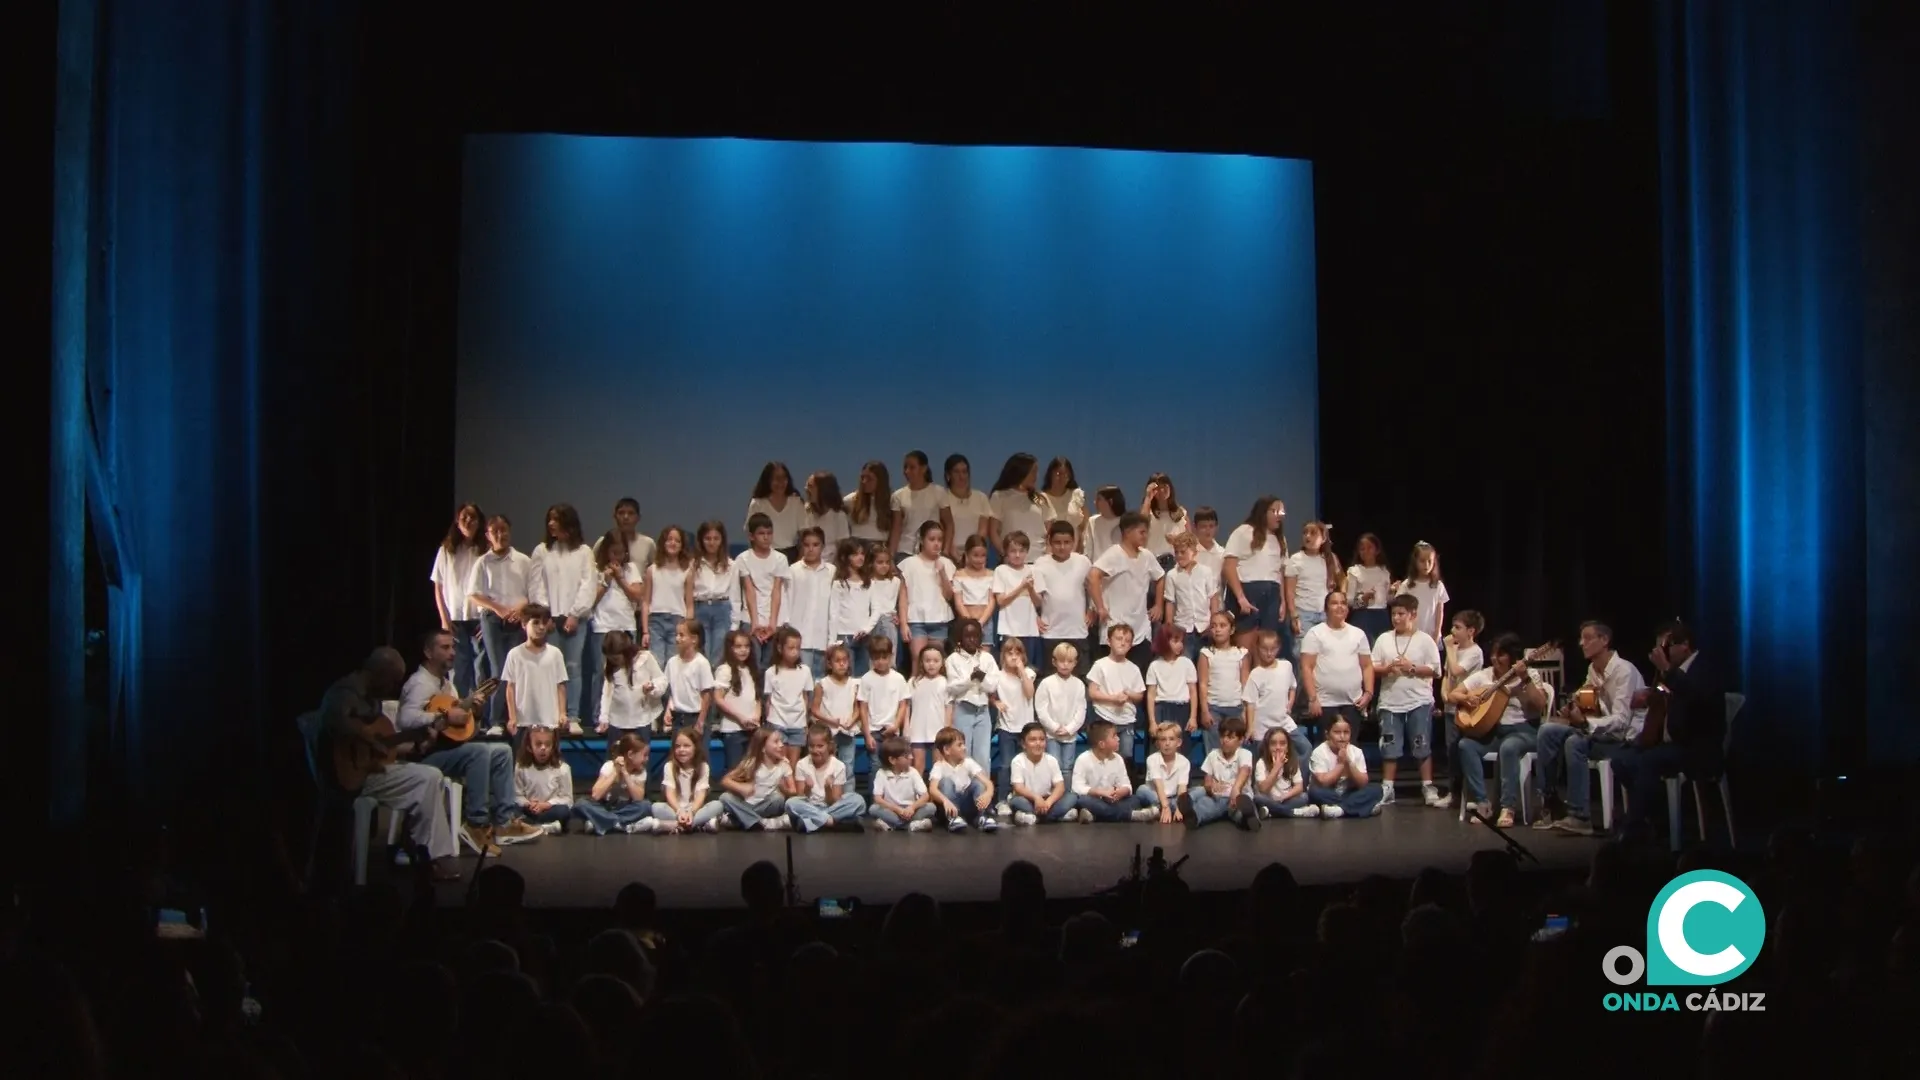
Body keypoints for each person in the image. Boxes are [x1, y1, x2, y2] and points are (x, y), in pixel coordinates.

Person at [318, 647, 459, 880]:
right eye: (392, 680)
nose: (392, 687)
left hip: (367, 770)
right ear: (381, 673)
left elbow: (386, 747)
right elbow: (336, 722)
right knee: (426, 778)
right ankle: (424, 855)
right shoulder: (345, 692)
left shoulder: (370, 699)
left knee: (428, 775)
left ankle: (417, 848)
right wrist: (368, 739)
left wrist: (414, 744)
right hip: (344, 777)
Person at [397, 629, 544, 852]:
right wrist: (443, 716)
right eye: (445, 647)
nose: (452, 652)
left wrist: (474, 712)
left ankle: (504, 822)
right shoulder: (420, 683)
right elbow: (405, 719)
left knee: (502, 751)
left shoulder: (446, 685)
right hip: (420, 755)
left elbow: (458, 730)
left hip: (444, 749)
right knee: (478, 752)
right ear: (428, 652)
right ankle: (476, 823)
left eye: (453, 647)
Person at [1611, 621, 1728, 839]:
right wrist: (1650, 693)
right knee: (1621, 759)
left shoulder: (1704, 668)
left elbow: (1695, 696)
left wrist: (1667, 670)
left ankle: (1634, 826)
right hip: (1671, 743)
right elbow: (1666, 689)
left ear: (1685, 645)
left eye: (1666, 648)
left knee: (1648, 761)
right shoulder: (1675, 673)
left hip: (1697, 746)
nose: (1662, 654)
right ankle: (1653, 818)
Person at [1533, 620, 1646, 836]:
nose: (1581, 643)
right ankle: (1551, 802)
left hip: (1623, 740)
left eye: (1587, 638)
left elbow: (1621, 721)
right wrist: (1574, 708)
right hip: (1599, 733)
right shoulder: (1593, 669)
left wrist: (1585, 723)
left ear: (1604, 640)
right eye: (1581, 638)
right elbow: (1588, 704)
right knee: (1548, 731)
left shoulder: (1624, 671)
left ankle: (1580, 816)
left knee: (1575, 742)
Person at [1446, 633, 1549, 827]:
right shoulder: (1485, 675)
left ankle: (1507, 807)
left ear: (1512, 656)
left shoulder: (1530, 675)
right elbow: (1453, 695)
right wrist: (1467, 699)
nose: (1495, 658)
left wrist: (1524, 679)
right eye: (1493, 654)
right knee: (1466, 745)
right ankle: (1482, 803)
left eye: (1501, 654)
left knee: (1509, 746)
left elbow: (1541, 704)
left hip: (1525, 732)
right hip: (1495, 733)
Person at [1371, 594, 1445, 807]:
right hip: (1390, 701)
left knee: (1421, 743)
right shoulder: (1384, 639)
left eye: (1401, 614)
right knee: (1389, 745)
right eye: (1394, 614)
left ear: (1413, 615)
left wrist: (1411, 667)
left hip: (1418, 701)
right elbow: (1372, 666)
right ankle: (1388, 787)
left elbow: (1436, 670)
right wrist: (1387, 668)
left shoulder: (1425, 640)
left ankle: (1428, 786)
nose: (1396, 618)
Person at [528, 503, 596, 733]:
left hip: (575, 619)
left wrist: (575, 614)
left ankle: (573, 716)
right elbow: (536, 585)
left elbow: (588, 585)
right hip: (549, 620)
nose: (551, 524)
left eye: (556, 519)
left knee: (573, 667)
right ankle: (552, 715)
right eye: (549, 519)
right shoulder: (542, 551)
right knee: (550, 668)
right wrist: (544, 616)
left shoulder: (584, 552)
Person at [468, 515, 532, 733]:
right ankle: (494, 721)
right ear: (488, 535)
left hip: (517, 619)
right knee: (498, 669)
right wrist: (498, 608)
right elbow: (474, 594)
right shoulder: (482, 562)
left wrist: (519, 609)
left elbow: (531, 592)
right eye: (495, 531)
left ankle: (513, 719)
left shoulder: (523, 561)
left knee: (515, 668)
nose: (500, 535)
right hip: (492, 619)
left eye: (503, 530)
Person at [1088, 512, 1165, 671]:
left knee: (1139, 673)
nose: (1145, 536)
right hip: (1116, 625)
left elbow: (1160, 577)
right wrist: (1100, 607)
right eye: (1141, 532)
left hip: (1141, 628)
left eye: (1146, 532)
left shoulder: (1147, 556)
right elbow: (1093, 576)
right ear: (1128, 532)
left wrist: (1158, 605)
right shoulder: (1114, 553)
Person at [1299, 590, 1375, 748]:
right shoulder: (1315, 634)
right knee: (1326, 750)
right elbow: (1306, 667)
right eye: (1334, 603)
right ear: (1326, 609)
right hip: (1325, 704)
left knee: (1350, 749)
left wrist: (1368, 693)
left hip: (1353, 703)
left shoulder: (1358, 634)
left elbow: (1367, 666)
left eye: (1343, 603)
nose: (1340, 607)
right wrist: (1312, 699)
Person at [430, 502, 487, 697]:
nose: (469, 521)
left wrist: (487, 618)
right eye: (464, 517)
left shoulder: (486, 550)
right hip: (455, 619)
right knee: (458, 670)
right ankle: (460, 709)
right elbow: (438, 586)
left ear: (479, 522)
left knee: (481, 670)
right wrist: (444, 619)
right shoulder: (447, 550)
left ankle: (481, 712)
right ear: (457, 521)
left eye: (473, 517)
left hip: (479, 618)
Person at [1223, 495, 1288, 653]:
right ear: (1263, 511)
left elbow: (1279, 572)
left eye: (1281, 512)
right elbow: (1229, 567)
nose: (1279, 516)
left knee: (1267, 645)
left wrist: (1282, 601)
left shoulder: (1280, 539)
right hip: (1248, 592)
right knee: (1246, 648)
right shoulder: (1243, 532)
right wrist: (1240, 597)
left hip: (1272, 596)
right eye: (1275, 511)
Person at [1031, 520, 1094, 677]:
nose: (1062, 547)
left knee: (1080, 678)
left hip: (1078, 630)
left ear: (1073, 542)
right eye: (1057, 542)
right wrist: (1034, 616)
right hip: (1051, 631)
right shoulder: (1040, 563)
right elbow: (1036, 597)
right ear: (1049, 542)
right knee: (1051, 678)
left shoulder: (1083, 562)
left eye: (1067, 542)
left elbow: (1093, 588)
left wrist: (1092, 609)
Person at [1180, 715, 1258, 830]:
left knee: (1240, 810)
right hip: (1218, 797)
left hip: (1238, 797)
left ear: (1240, 740)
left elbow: (1245, 771)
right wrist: (1211, 786)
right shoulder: (1213, 754)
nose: (1225, 740)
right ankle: (1193, 816)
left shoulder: (1244, 753)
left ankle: (1248, 818)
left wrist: (1236, 789)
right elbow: (1207, 779)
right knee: (1205, 804)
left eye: (1230, 737)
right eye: (1222, 736)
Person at [501, 604, 567, 738]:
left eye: (544, 623)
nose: (541, 627)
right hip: (523, 721)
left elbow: (560, 685)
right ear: (524, 624)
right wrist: (512, 717)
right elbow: (510, 687)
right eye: (536, 623)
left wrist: (562, 713)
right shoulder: (515, 654)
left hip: (550, 721)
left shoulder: (555, 653)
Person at [987, 638, 1037, 814]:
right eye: (1010, 653)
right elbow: (989, 693)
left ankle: (1023, 798)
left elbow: (1029, 693)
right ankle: (1002, 799)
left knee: (1025, 764)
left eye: (1017, 653)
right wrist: (995, 702)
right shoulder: (998, 676)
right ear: (1003, 656)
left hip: (1026, 727)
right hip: (1006, 727)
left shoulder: (1028, 673)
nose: (1014, 657)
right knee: (1006, 765)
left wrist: (1021, 670)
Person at [787, 724, 867, 833]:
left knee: (858, 800)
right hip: (810, 806)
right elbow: (801, 797)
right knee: (790, 803)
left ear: (829, 746)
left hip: (830, 807)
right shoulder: (802, 764)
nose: (815, 750)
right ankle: (831, 821)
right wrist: (807, 788)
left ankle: (812, 822)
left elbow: (834, 801)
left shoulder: (838, 766)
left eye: (820, 746)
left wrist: (828, 789)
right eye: (811, 746)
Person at [736, 513, 791, 671]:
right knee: (753, 664)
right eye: (761, 533)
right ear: (751, 536)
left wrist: (772, 624)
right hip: (751, 619)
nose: (766, 537)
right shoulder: (743, 559)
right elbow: (749, 591)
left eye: (769, 533)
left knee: (770, 666)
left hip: (774, 620)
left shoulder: (780, 558)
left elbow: (776, 590)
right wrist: (755, 623)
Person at [944, 618, 999, 773]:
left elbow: (992, 686)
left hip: (983, 711)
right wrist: (970, 679)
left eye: (975, 636)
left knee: (983, 756)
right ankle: (963, 787)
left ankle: (982, 788)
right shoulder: (953, 659)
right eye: (967, 636)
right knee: (962, 753)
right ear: (960, 638)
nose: (971, 640)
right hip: (963, 709)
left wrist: (981, 678)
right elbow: (953, 687)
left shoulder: (987, 658)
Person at [1087, 625, 1147, 760]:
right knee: (1103, 755)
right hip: (1104, 717)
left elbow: (1139, 696)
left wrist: (1129, 694)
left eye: (1127, 640)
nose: (1123, 643)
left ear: (1131, 645)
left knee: (1125, 755)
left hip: (1126, 719)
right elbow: (1093, 692)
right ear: (1109, 641)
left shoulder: (1134, 668)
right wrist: (1113, 698)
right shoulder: (1100, 665)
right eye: (1119, 639)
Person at [1195, 610, 1248, 763]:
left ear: (1232, 629)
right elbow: (1203, 684)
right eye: (1213, 626)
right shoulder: (1206, 653)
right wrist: (1205, 711)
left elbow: (1245, 683)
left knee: (1237, 752)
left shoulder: (1241, 653)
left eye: (1222, 625)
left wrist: (1246, 710)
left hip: (1236, 707)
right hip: (1214, 708)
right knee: (1214, 752)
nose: (1217, 629)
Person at [577, 733, 656, 835]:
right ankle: (619, 824)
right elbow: (596, 795)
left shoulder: (641, 772)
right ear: (631, 755)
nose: (647, 759)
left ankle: (600, 822)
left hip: (625, 808)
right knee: (581, 804)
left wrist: (625, 773)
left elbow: (638, 798)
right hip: (605, 807)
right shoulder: (609, 766)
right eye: (644, 755)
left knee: (646, 806)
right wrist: (616, 772)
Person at [1308, 714, 1384, 818]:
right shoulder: (1319, 752)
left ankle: (1339, 810)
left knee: (1377, 789)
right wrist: (1340, 764)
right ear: (1327, 734)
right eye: (1337, 732)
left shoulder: (1356, 752)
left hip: (1349, 792)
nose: (1342, 737)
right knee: (1314, 792)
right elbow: (1323, 782)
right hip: (1328, 793)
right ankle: (1362, 807)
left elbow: (1363, 783)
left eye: (1346, 732)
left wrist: (1348, 762)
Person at [718, 727, 793, 832]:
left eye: (781, 741)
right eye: (776, 742)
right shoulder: (751, 763)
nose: (781, 745)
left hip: (766, 806)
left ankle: (739, 821)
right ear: (763, 748)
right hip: (747, 805)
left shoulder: (783, 765)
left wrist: (784, 789)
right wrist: (741, 788)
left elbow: (793, 791)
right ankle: (761, 822)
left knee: (778, 799)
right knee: (725, 797)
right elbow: (725, 780)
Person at [652, 727, 725, 833]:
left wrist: (691, 812)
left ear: (695, 748)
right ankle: (698, 826)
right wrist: (679, 811)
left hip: (695, 810)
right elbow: (670, 794)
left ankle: (677, 826)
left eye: (686, 746)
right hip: (675, 809)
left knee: (717, 805)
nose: (681, 750)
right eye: (678, 746)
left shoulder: (703, 766)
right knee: (656, 807)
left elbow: (700, 795)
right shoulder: (669, 766)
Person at [640, 525, 694, 667]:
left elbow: (689, 605)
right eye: (669, 539)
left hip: (678, 622)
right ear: (663, 543)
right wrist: (645, 631)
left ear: (682, 545)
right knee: (657, 663)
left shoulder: (687, 571)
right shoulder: (652, 570)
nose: (673, 543)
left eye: (677, 541)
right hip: (655, 621)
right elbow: (645, 602)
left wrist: (687, 628)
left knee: (674, 664)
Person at [1162, 532, 1220, 664]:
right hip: (1183, 628)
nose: (1179, 555)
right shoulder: (1172, 575)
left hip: (1204, 627)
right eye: (1176, 552)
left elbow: (1213, 597)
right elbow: (1170, 601)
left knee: (1205, 663)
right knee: (1185, 662)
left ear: (1194, 551)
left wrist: (1213, 621)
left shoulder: (1205, 572)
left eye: (1183, 552)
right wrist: (1169, 625)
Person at [596, 630, 667, 736]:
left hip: (641, 720)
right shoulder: (610, 666)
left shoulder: (645, 658)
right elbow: (607, 693)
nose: (613, 661)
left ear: (626, 652)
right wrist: (604, 717)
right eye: (610, 658)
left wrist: (653, 687)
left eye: (616, 658)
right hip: (617, 722)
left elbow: (661, 679)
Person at [929, 727, 1000, 832]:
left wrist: (988, 794)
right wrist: (945, 801)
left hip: (966, 804)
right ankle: (952, 818)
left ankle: (982, 817)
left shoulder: (968, 762)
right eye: (959, 745)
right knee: (946, 782)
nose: (964, 748)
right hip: (949, 806)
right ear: (947, 750)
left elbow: (987, 782)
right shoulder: (939, 766)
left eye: (963, 744)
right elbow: (932, 789)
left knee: (978, 783)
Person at [1284, 520, 1339, 655]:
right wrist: (1294, 616)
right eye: (1305, 533)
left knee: (1325, 653)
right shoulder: (1296, 559)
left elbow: (1341, 581)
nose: (1308, 536)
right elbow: (1290, 591)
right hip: (1303, 614)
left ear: (1323, 538)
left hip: (1324, 613)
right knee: (1303, 653)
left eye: (1313, 533)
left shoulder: (1329, 559)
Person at [1007, 721, 1077, 824]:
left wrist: (1048, 803)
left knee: (1072, 797)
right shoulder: (1017, 761)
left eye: (1042, 739)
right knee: (1017, 801)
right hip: (1028, 799)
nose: (1038, 743)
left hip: (1048, 800)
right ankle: (1054, 817)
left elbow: (1060, 787)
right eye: (1033, 740)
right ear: (1023, 744)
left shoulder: (1051, 760)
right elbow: (1018, 788)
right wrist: (1036, 798)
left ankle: (1034, 817)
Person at [762, 627, 815, 763]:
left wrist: (805, 722)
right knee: (780, 763)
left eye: (798, 648)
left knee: (793, 765)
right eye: (791, 648)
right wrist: (769, 722)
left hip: (798, 724)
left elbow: (806, 698)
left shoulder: (805, 671)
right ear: (780, 648)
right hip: (777, 723)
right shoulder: (771, 672)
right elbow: (768, 701)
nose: (795, 652)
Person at [786, 527, 834, 678]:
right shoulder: (793, 571)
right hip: (800, 639)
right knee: (800, 681)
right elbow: (787, 601)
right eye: (807, 545)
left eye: (815, 545)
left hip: (823, 639)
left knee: (820, 683)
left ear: (823, 546)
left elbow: (835, 608)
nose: (811, 549)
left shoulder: (832, 572)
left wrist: (832, 639)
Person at [710, 628, 760, 771]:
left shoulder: (751, 670)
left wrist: (756, 716)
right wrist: (740, 718)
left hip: (752, 729)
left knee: (751, 770)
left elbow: (757, 699)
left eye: (747, 646)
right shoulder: (725, 670)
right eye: (738, 646)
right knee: (735, 770)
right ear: (730, 648)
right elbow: (718, 699)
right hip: (733, 730)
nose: (743, 650)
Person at [808, 642, 862, 774]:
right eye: (837, 661)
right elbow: (814, 709)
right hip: (828, 733)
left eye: (844, 660)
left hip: (847, 731)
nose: (842, 664)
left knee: (847, 766)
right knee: (827, 766)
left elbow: (858, 708)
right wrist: (830, 721)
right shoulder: (822, 684)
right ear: (829, 664)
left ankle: (847, 788)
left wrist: (851, 721)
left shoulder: (854, 684)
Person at [1034, 642, 1087, 774]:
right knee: (1054, 765)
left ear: (1075, 663)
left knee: (1068, 767)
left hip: (1070, 735)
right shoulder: (1046, 683)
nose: (1065, 665)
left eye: (1069, 661)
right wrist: (1054, 727)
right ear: (1054, 662)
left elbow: (1081, 710)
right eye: (1062, 661)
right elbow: (1041, 709)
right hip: (1051, 735)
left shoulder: (1079, 684)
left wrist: (1069, 729)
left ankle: (1067, 788)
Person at [1069, 720, 1135, 823]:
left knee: (1135, 800)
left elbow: (1126, 784)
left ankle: (1095, 816)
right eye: (1114, 736)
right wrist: (1100, 792)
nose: (1118, 739)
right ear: (1102, 744)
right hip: (1094, 799)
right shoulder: (1083, 759)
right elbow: (1076, 787)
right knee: (1082, 800)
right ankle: (1130, 815)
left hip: (1113, 800)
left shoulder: (1118, 759)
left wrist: (1121, 792)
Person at [985, 453, 1047, 560]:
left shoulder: (1040, 498)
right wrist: (1006, 554)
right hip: (1013, 561)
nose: (1036, 476)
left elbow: (1049, 530)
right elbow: (993, 532)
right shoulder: (1000, 496)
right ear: (1021, 472)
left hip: (1039, 559)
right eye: (1033, 472)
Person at [690, 521, 735, 667]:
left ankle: (716, 679)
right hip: (700, 607)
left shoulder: (731, 565)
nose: (712, 542)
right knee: (702, 649)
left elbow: (735, 594)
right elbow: (688, 591)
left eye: (716, 538)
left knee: (719, 651)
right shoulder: (694, 564)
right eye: (708, 538)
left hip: (722, 608)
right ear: (701, 540)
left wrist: (735, 621)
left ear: (722, 540)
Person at [856, 634, 910, 757]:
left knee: (893, 763)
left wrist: (896, 725)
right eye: (876, 658)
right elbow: (863, 708)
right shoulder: (866, 679)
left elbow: (903, 705)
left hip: (892, 730)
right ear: (871, 658)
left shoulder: (898, 678)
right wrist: (867, 735)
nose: (880, 662)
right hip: (874, 731)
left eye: (884, 657)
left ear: (891, 656)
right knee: (876, 764)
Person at [867, 736, 936, 831]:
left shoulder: (913, 772)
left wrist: (912, 808)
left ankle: (892, 825)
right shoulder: (881, 773)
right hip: (892, 810)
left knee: (931, 807)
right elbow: (878, 798)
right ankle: (911, 825)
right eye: (906, 756)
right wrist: (897, 809)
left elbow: (925, 796)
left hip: (910, 810)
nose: (911, 757)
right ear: (892, 760)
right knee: (873, 809)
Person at [513, 726, 574, 834]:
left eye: (547, 744)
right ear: (529, 747)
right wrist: (528, 804)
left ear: (553, 746)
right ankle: (545, 826)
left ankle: (533, 826)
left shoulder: (563, 769)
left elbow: (568, 799)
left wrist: (547, 804)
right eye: (538, 744)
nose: (543, 748)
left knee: (564, 811)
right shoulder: (521, 767)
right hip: (530, 810)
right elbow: (517, 795)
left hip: (549, 810)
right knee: (511, 807)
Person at [1251, 727, 1315, 818]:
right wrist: (1276, 768)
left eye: (1282, 744)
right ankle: (1294, 812)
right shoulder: (1261, 763)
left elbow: (1299, 787)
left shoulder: (1292, 761)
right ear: (1267, 747)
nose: (1278, 747)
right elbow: (1263, 789)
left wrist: (1284, 797)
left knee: (1304, 797)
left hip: (1286, 799)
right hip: (1269, 799)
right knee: (1258, 798)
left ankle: (1272, 812)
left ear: (1287, 747)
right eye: (1273, 744)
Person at [744, 460, 803, 556]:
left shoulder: (796, 502)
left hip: (793, 555)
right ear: (768, 480)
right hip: (766, 554)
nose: (781, 482)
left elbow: (804, 534)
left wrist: (799, 559)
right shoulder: (757, 504)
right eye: (777, 478)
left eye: (784, 478)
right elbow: (751, 534)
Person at [1136, 722, 1192, 824]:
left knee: (1197, 791)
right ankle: (1164, 808)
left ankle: (1156, 810)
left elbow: (1182, 787)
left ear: (1179, 742)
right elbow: (1159, 785)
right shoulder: (1152, 759)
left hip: (1174, 798)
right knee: (1142, 790)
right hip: (1156, 795)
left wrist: (1180, 807)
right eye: (1163, 740)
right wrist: (1165, 806)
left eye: (1171, 739)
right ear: (1158, 744)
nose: (1167, 743)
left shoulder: (1184, 762)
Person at [1393, 541, 1448, 642]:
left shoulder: (1438, 586)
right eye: (1422, 561)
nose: (1426, 565)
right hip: (1411, 635)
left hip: (1431, 635)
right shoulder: (1407, 585)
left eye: (1429, 561)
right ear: (1415, 562)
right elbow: (1398, 608)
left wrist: (1436, 634)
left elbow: (1439, 612)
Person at [939, 454, 993, 559]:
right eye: (956, 472)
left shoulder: (981, 498)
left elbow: (983, 530)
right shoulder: (942, 497)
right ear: (948, 475)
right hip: (949, 552)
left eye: (964, 472)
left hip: (975, 554)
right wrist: (952, 551)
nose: (961, 476)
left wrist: (972, 551)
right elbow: (943, 527)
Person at [1344, 532, 1393, 643]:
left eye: (1369, 548)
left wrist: (1393, 591)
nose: (1366, 551)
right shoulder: (1354, 571)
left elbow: (1387, 600)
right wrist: (1363, 599)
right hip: (1363, 616)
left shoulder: (1384, 571)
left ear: (1377, 550)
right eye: (1362, 549)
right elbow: (1349, 600)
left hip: (1382, 616)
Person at [845, 460, 895, 545]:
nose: (864, 481)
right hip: (856, 548)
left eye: (869, 478)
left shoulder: (893, 501)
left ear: (881, 481)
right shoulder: (850, 500)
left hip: (881, 548)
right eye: (862, 477)